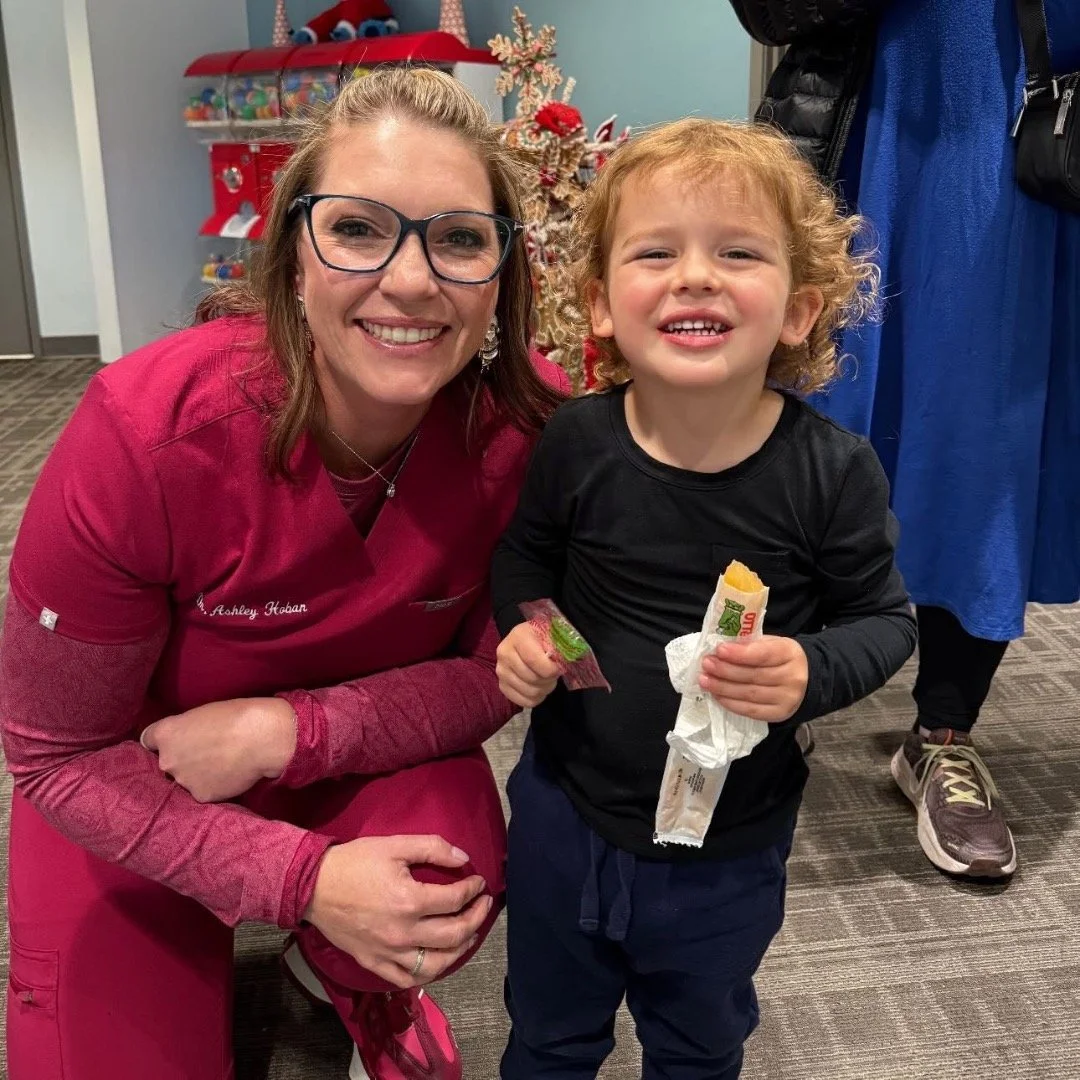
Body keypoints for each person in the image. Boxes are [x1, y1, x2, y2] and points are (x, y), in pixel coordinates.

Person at [0, 67, 565, 1080]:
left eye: (460, 239)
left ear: (504, 279)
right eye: (357, 229)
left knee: (450, 878)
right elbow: (55, 756)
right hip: (141, 779)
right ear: (291, 260)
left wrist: (288, 733)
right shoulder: (148, 433)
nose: (411, 279)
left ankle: (337, 981)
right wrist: (301, 877)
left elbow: (506, 669)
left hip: (352, 766)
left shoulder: (537, 433)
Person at [490, 118, 918, 1079]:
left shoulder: (832, 471)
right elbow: (524, 566)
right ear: (601, 305)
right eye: (657, 251)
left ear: (799, 311)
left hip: (730, 843)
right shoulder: (578, 443)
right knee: (548, 1037)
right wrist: (536, 637)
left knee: (698, 1044)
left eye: (736, 252)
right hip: (566, 812)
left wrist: (810, 667)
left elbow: (886, 622)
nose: (695, 276)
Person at [750, 0, 1080, 879]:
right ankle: (779, 681)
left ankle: (942, 733)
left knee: (983, 438)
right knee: (811, 408)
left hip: (1031, 130)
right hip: (868, 119)